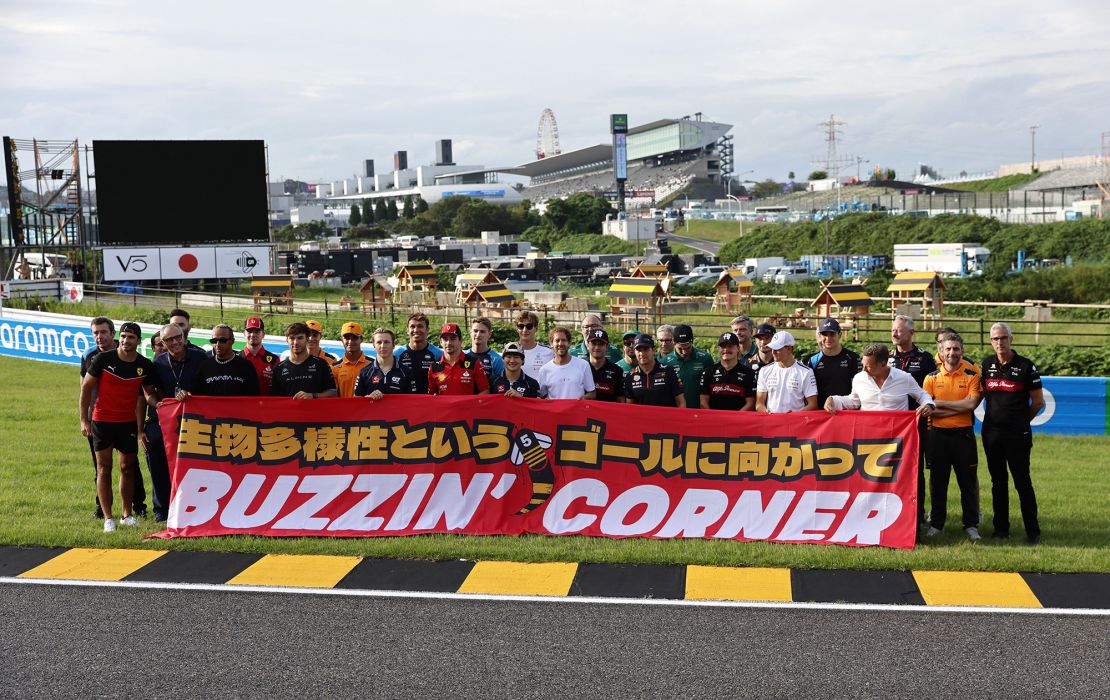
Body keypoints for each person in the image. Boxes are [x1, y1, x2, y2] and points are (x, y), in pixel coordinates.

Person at [79, 322, 159, 533]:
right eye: (123, 336)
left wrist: (159, 403)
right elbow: (86, 388)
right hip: (102, 422)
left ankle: (126, 515)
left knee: (127, 468)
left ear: (138, 341)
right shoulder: (103, 359)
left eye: (130, 337)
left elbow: (149, 394)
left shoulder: (145, 365)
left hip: (127, 423)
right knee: (104, 469)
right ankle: (108, 518)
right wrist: (83, 420)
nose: (125, 341)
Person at [981, 322, 1044, 544]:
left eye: (1003, 338)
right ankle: (1001, 530)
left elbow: (1038, 402)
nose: (1000, 342)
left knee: (1022, 482)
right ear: (991, 341)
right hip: (991, 434)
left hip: (1017, 435)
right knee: (997, 482)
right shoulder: (986, 364)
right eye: (995, 339)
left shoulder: (1026, 366)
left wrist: (1019, 422)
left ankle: (1033, 532)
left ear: (1011, 339)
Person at [923, 334, 983, 541]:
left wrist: (940, 404)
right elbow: (927, 409)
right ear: (941, 352)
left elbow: (971, 405)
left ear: (962, 351)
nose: (952, 353)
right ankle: (937, 525)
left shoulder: (971, 375)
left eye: (956, 349)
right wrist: (958, 408)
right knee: (939, 482)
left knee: (967, 483)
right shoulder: (931, 378)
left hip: (963, 435)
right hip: (937, 435)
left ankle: (971, 525)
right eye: (948, 349)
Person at [150, 322, 208, 520]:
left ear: (184, 337)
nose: (174, 342)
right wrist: (158, 404)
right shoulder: (158, 363)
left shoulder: (201, 357)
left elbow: (210, 388)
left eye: (177, 338)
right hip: (168, 423)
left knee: (196, 466)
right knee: (159, 463)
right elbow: (148, 393)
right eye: (168, 340)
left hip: (197, 421)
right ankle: (161, 510)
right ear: (163, 343)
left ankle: (196, 506)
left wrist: (194, 397)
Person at [890, 314, 938, 529]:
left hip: (916, 425)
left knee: (916, 472)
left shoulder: (925, 358)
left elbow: (931, 391)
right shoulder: (887, 358)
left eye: (899, 330)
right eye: (893, 329)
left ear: (911, 333)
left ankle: (917, 518)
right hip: (891, 426)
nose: (894, 333)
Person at [825, 343, 935, 416]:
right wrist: (833, 399)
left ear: (883, 364)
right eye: (863, 365)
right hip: (869, 435)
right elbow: (854, 401)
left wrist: (928, 405)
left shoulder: (904, 378)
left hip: (897, 437)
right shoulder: (859, 378)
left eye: (868, 366)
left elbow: (922, 395)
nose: (864, 370)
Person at [185, 324, 260, 397]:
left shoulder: (246, 366)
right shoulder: (204, 366)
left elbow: (253, 398)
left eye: (222, 340)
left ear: (232, 341)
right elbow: (195, 396)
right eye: (214, 340)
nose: (217, 344)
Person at [270, 322, 338, 399]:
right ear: (287, 340)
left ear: (307, 339)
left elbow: (333, 394)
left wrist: (313, 396)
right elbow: (273, 401)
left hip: (314, 411)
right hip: (288, 411)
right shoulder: (279, 368)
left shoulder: (321, 364)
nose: (296, 342)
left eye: (300, 338)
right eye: (292, 338)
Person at [755, 331, 818, 413]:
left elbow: (813, 404)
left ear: (789, 349)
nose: (773, 352)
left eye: (777, 349)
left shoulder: (806, 372)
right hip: (771, 422)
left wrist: (792, 416)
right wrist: (767, 413)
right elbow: (759, 404)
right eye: (772, 348)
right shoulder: (764, 370)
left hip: (796, 423)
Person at [809, 318, 862, 408]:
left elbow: (859, 390)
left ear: (840, 335)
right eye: (824, 334)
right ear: (819, 336)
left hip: (846, 412)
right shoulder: (812, 360)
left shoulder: (853, 358)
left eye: (832, 334)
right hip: (821, 413)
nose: (828, 338)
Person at [700, 331, 757, 411]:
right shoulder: (708, 372)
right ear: (718, 349)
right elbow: (703, 402)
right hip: (713, 421)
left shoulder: (749, 373)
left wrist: (734, 420)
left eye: (730, 346)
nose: (726, 350)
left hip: (739, 421)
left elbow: (751, 403)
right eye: (723, 347)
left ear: (738, 348)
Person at [623, 334, 684, 408]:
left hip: (666, 419)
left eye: (646, 349)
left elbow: (681, 403)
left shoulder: (668, 371)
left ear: (653, 350)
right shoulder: (630, 377)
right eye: (638, 350)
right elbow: (630, 408)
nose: (642, 353)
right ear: (635, 352)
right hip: (642, 419)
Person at [428, 323, 490, 395]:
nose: (448, 343)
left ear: (461, 341)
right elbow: (431, 396)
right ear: (440, 342)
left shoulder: (474, 363)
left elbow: (485, 391)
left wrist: (472, 405)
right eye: (445, 339)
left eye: (453, 339)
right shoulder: (434, 367)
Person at [354, 327, 415, 398]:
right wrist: (367, 398)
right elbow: (357, 401)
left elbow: (412, 401)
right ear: (374, 346)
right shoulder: (364, 372)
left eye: (386, 342)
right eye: (379, 342)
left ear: (393, 345)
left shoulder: (406, 372)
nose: (383, 346)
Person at [660, 324, 711, 409]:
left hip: (700, 411)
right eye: (680, 348)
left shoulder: (705, 358)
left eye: (688, 348)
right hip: (676, 412)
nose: (684, 352)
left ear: (692, 342)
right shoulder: (665, 362)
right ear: (673, 342)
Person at [538, 326, 596, 400]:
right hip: (554, 411)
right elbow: (541, 396)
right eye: (557, 340)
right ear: (551, 344)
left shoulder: (583, 365)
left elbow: (592, 393)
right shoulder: (544, 370)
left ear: (569, 343)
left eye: (564, 340)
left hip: (576, 411)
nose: (560, 344)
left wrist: (584, 398)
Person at [394, 312, 444, 394]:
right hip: (405, 403)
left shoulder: (438, 355)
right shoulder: (397, 355)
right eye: (412, 326)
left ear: (427, 330)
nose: (416, 330)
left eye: (420, 326)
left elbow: (443, 379)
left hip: (430, 403)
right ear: (407, 330)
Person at [331, 322, 372, 398]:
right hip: (344, 409)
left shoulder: (373, 365)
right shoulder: (334, 368)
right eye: (347, 338)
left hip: (367, 409)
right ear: (341, 340)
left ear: (361, 339)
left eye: (355, 338)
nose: (350, 342)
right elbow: (332, 396)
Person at [241, 316, 279, 395]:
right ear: (244, 334)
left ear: (263, 334)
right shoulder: (236, 358)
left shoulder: (274, 360)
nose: (253, 335)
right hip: (242, 406)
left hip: (265, 406)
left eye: (257, 331)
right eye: (249, 331)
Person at [584, 329, 625, 402]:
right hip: (584, 412)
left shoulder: (616, 371)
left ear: (607, 347)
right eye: (594, 343)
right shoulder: (581, 368)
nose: (597, 347)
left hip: (608, 413)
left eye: (601, 344)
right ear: (587, 345)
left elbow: (620, 399)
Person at [515, 310, 553, 379]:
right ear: (517, 329)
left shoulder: (549, 352)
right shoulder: (509, 351)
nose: (524, 330)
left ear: (536, 328)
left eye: (529, 326)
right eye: (521, 326)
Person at [466, 317, 505, 383]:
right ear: (470, 332)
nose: (478, 335)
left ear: (489, 334)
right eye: (475, 331)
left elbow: (501, 386)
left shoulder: (496, 359)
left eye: (482, 332)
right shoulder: (463, 355)